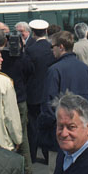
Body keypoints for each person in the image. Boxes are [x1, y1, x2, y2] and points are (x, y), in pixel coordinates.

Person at [38, 30, 88, 174]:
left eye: (53, 47)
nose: (52, 50)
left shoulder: (54, 70)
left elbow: (48, 104)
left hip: (60, 135)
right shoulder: (85, 69)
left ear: (61, 47)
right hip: (82, 133)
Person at [0, 29, 35, 174]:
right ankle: (27, 169)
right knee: (21, 134)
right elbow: (30, 70)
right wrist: (21, 52)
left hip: (1, 98)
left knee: (1, 133)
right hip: (19, 98)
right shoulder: (19, 57)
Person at [25, 19, 53, 164]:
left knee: (33, 126)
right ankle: (48, 155)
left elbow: (27, 71)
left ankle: (32, 154)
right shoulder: (51, 48)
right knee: (48, 124)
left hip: (33, 92)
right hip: (48, 90)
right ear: (46, 31)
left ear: (33, 33)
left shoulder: (30, 50)